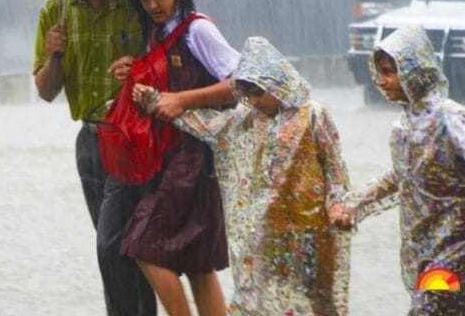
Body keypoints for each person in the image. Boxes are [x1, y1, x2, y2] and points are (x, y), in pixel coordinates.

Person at [134, 36, 353, 315]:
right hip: (264, 234)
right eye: (246, 94)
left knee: (319, 304)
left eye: (258, 92)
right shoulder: (246, 121)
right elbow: (207, 125)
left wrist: (337, 204)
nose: (253, 101)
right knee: (254, 303)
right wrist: (155, 101)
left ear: (275, 82)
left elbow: (335, 169)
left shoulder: (313, 116)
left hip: (311, 232)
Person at [337, 26, 465, 315]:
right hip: (428, 245)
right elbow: (401, 176)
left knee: (426, 308)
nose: (382, 81)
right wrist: (355, 203)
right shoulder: (404, 126)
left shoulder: (448, 118)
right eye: (379, 72)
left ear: (415, 71)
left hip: (461, 245)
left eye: (390, 71)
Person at [114, 0, 239, 316]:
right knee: (199, 264)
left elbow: (242, 84)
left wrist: (183, 99)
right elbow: (160, 84)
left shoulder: (199, 30)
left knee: (141, 244)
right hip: (170, 156)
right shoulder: (158, 32)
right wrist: (134, 69)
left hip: (196, 159)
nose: (152, 5)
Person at [32, 0, 156, 316]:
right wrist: (55, 55)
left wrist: (140, 67)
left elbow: (165, 61)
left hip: (132, 137)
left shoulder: (137, 4)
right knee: (118, 248)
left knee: (113, 245)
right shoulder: (54, 13)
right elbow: (45, 90)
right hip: (89, 142)